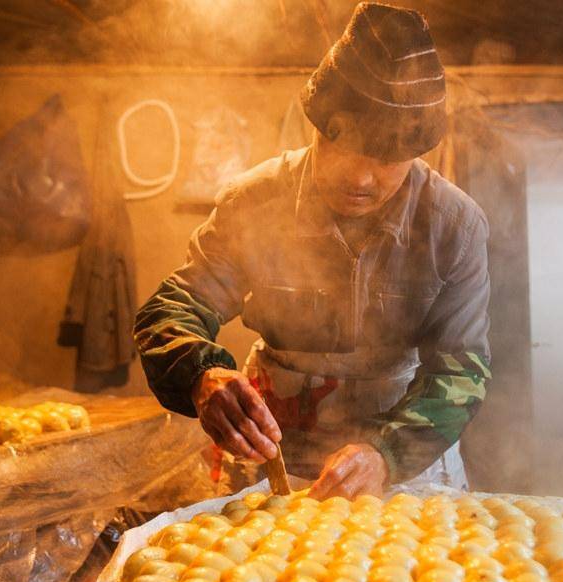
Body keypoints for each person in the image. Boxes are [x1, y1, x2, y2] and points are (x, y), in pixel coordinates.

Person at [134, 2, 491, 499]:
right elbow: (175, 307)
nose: (363, 179)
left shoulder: (454, 226)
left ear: (418, 153)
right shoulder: (254, 202)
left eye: (388, 159)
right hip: (274, 453)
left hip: (405, 460)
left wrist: (385, 454)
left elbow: (461, 369)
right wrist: (199, 374)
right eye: (345, 147)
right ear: (319, 128)